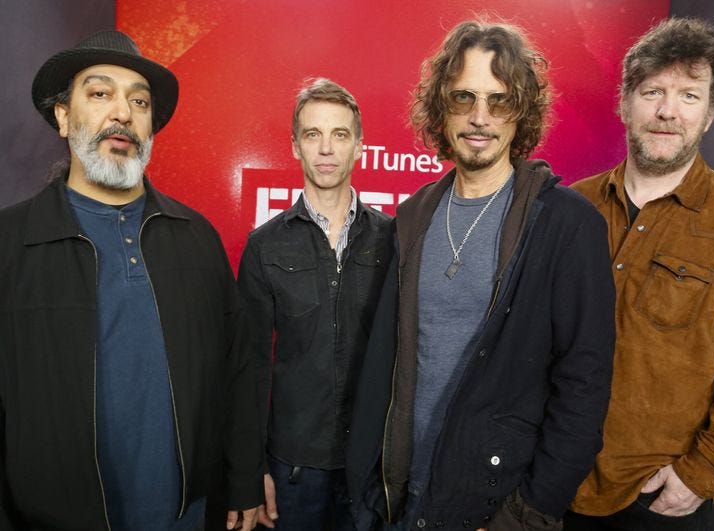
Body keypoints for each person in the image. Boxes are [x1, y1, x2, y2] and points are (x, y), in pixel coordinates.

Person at [346, 19, 616, 531]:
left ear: (523, 112)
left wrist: (528, 514)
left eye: (500, 100)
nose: (479, 117)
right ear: (439, 107)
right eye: (462, 97)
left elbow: (584, 389)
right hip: (400, 500)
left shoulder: (567, 225)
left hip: (494, 508)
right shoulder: (412, 217)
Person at [0, 30, 268, 531]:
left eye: (138, 101)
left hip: (186, 517)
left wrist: (245, 480)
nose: (121, 112)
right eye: (100, 94)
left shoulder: (196, 237)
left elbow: (238, 372)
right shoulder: (9, 245)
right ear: (63, 116)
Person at [565, 17, 714, 531]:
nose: (667, 111)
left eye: (689, 95)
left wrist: (703, 473)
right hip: (554, 481)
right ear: (624, 103)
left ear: (710, 114)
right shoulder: (570, 207)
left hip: (655, 493)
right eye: (652, 91)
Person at [237, 78, 393, 529]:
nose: (326, 149)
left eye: (340, 135)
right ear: (295, 147)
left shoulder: (394, 239)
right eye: (313, 135)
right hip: (293, 468)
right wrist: (253, 468)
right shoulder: (265, 246)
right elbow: (248, 367)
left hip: (371, 464)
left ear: (359, 146)